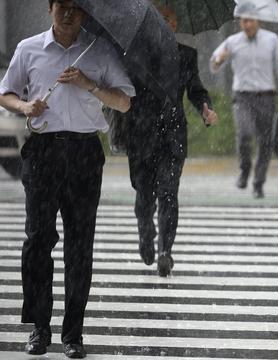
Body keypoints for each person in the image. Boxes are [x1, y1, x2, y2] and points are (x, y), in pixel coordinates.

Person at [0, 0, 134, 357]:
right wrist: (25, 106)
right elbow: (5, 93)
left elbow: (123, 102)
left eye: (76, 7)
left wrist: (89, 84)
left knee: (79, 246)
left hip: (84, 154)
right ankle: (39, 328)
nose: (68, 13)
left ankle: (73, 333)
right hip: (42, 152)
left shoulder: (100, 50)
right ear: (50, 9)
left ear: (85, 13)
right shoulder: (28, 49)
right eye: (62, 5)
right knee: (37, 241)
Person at [127, 5, 219, 277]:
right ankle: (146, 230)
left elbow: (196, 91)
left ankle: (166, 250)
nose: (163, 24)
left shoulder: (187, 56)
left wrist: (205, 108)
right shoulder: (135, 54)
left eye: (167, 19)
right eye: (157, 19)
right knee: (144, 197)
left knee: (169, 193)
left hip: (172, 136)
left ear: (176, 24)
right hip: (141, 135)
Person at [210, 16, 278, 198]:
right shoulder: (232, 42)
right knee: (245, 133)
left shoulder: (272, 40)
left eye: (251, 21)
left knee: (265, 142)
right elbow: (214, 66)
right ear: (240, 23)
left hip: (266, 96)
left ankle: (258, 182)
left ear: (258, 22)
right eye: (244, 21)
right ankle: (245, 169)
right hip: (242, 97)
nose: (247, 24)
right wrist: (220, 59)